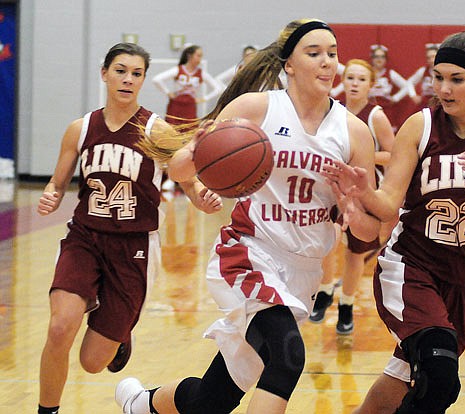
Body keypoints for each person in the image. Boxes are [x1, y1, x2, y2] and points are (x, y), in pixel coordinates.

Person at [115, 18, 380, 414]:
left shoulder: (354, 132)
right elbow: (181, 169)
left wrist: (353, 209)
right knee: (288, 359)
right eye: (314, 53)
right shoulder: (258, 108)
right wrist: (200, 149)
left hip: (303, 272)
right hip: (249, 253)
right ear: (288, 64)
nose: (327, 63)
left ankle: (143, 405)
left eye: (332, 54)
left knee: (213, 399)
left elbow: (370, 230)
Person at [323, 29, 465, 413]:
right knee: (439, 376)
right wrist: (363, 191)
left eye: (457, 79)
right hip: (411, 266)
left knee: (403, 384)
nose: (444, 89)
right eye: (438, 77)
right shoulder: (420, 126)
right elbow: (389, 203)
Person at [35, 42, 223, 414]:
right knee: (59, 329)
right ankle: (47, 410)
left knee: (92, 361)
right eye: (120, 70)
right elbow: (58, 182)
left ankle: (120, 334)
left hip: (133, 247)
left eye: (136, 73)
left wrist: (203, 197)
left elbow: (189, 182)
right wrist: (50, 195)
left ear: (143, 81)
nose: (128, 79)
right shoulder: (81, 128)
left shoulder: (158, 130)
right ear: (104, 74)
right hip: (85, 239)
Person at [310, 59, 395, 335]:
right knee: (327, 241)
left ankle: (346, 304)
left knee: (355, 252)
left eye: (361, 79)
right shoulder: (330, 108)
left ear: (371, 85)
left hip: (363, 190)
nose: (355, 84)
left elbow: (393, 155)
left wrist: (361, 158)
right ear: (342, 81)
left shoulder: (375, 116)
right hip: (332, 185)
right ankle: (323, 291)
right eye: (350, 78)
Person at [152, 44, 223, 125]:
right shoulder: (178, 70)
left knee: (189, 131)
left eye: (201, 56)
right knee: (171, 131)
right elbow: (157, 79)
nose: (200, 59)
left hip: (190, 106)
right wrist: (167, 92)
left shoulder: (201, 73)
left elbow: (218, 88)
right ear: (190, 56)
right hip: (175, 106)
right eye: (198, 56)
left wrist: (205, 98)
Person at [407, 43, 439, 110]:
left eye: (433, 56)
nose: (431, 60)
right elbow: (410, 82)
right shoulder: (423, 71)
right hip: (426, 103)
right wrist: (413, 95)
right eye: (428, 58)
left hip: (440, 102)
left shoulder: (445, 71)